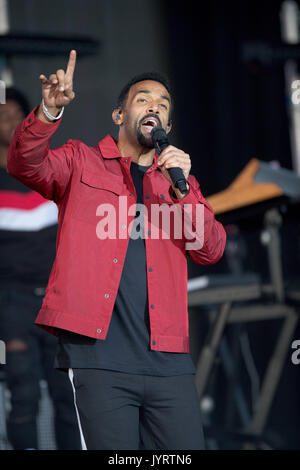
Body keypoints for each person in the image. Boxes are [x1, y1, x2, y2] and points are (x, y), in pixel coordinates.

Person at [7, 50, 227, 450]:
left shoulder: (178, 185)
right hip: (99, 358)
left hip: (169, 360)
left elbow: (210, 249)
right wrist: (47, 114)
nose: (154, 107)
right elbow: (24, 163)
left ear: (168, 125)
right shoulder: (81, 162)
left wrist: (184, 191)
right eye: (143, 99)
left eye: (162, 104)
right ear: (119, 116)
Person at [0, 87, 81, 449]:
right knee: (23, 391)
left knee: (68, 395)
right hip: (11, 303)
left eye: (19, 114)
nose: (12, 121)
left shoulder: (50, 172)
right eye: (4, 115)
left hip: (56, 299)